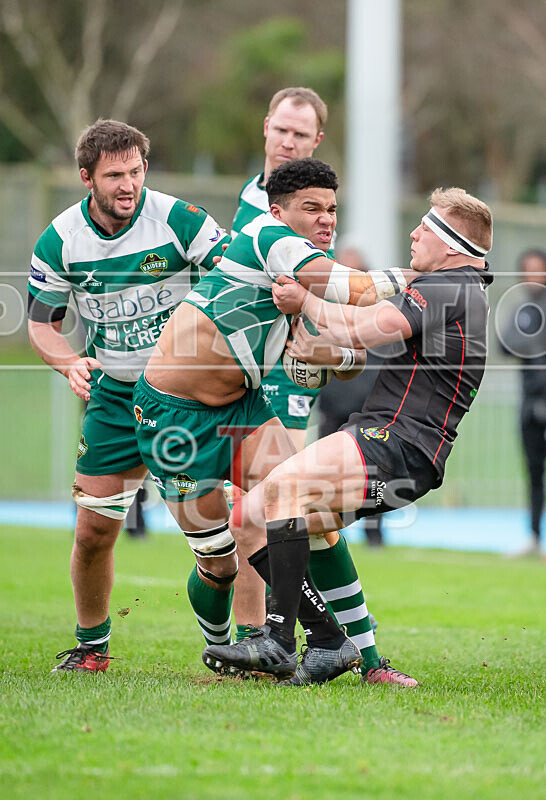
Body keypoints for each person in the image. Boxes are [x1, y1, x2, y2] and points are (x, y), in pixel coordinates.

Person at [134, 158, 414, 682]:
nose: (326, 219)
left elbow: (341, 359)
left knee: (311, 517)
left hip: (241, 407)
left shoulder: (304, 268)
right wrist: (427, 272)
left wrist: (326, 357)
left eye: (332, 209)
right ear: (279, 209)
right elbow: (355, 292)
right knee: (218, 562)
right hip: (171, 416)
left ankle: (359, 655)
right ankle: (228, 655)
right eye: (312, 208)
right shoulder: (270, 236)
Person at [204, 186, 493, 685]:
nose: (414, 232)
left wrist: (305, 300)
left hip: (397, 443)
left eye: (425, 226)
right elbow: (351, 339)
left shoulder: (450, 284)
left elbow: (364, 329)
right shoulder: (460, 289)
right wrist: (321, 344)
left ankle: (278, 637)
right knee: (250, 518)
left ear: (451, 243)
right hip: (395, 448)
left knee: (281, 492)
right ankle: (332, 645)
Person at [27, 119, 230, 672]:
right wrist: (68, 361)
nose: (128, 185)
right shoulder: (61, 239)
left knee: (214, 540)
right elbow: (42, 324)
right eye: (114, 174)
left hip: (182, 397)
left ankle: (234, 643)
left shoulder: (180, 220)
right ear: (86, 176)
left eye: (136, 172)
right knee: (93, 528)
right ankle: (92, 649)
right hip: (114, 399)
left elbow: (237, 280)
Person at [230, 87, 378, 642]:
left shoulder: (315, 208)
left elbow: (345, 333)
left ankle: (350, 650)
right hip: (234, 377)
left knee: (291, 513)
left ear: (316, 139)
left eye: (300, 134)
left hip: (284, 381)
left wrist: (331, 351)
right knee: (238, 528)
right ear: (266, 129)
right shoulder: (240, 210)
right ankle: (248, 644)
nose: (288, 142)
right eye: (281, 131)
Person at [318, 239, 385, 547]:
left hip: (368, 408)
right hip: (333, 406)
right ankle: (330, 529)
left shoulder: (380, 312)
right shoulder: (327, 309)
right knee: (328, 472)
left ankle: (374, 530)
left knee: (372, 472)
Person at [498, 248, 546, 556]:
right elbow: (505, 344)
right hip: (530, 406)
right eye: (528, 270)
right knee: (533, 472)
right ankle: (533, 536)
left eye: (538, 269)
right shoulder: (523, 311)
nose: (533, 276)